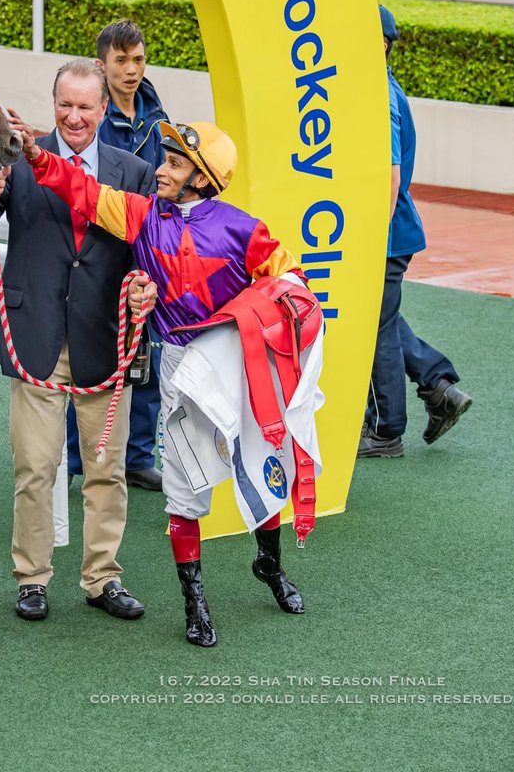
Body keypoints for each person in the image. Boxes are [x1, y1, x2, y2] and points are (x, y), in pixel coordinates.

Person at [19, 118, 309, 647]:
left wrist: (252, 314)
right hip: (178, 366)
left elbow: (291, 281)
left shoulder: (244, 228)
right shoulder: (142, 215)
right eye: (165, 159)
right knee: (183, 489)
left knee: (260, 467)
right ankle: (194, 603)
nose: (160, 170)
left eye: (175, 164)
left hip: (234, 365)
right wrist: (39, 159)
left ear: (202, 178)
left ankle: (269, 566)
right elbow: (83, 190)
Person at [0, 59, 157, 622]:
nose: (74, 116)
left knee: (106, 472)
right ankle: (32, 578)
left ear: (103, 109)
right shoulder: (16, 160)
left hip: (105, 341)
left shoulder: (133, 171)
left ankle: (102, 577)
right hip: (35, 335)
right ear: (54, 103)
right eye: (65, 104)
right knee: (36, 468)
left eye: (86, 107)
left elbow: (150, 249)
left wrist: (145, 287)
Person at [360, 6, 473, 459]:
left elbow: (389, 175)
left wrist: (375, 238)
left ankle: (386, 431)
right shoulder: (382, 87)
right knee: (382, 317)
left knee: (378, 328)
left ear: (381, 44)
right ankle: (437, 385)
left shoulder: (380, 95)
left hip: (388, 234)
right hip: (395, 230)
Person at [66, 20, 173, 491]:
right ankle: (76, 459)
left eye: (138, 59)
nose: (132, 70)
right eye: (121, 60)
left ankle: (136, 455)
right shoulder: (90, 116)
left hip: (148, 245)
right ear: (101, 64)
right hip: (100, 248)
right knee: (90, 354)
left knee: (145, 349)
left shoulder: (155, 109)